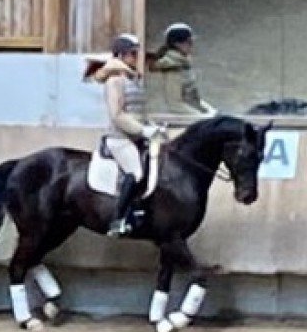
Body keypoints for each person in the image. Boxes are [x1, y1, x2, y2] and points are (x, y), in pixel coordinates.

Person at [92, 33, 159, 237]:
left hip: (137, 136)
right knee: (136, 173)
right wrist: (142, 130)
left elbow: (138, 111)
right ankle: (118, 220)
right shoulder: (115, 80)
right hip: (120, 138)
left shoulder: (132, 78)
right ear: (120, 54)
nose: (135, 57)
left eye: (136, 53)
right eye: (132, 53)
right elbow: (117, 114)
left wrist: (152, 126)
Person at [148, 22, 217, 116]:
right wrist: (201, 118)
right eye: (189, 42)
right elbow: (175, 104)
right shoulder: (173, 66)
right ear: (177, 44)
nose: (191, 46)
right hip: (184, 117)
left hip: (192, 112)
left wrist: (211, 112)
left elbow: (193, 98)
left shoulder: (182, 63)